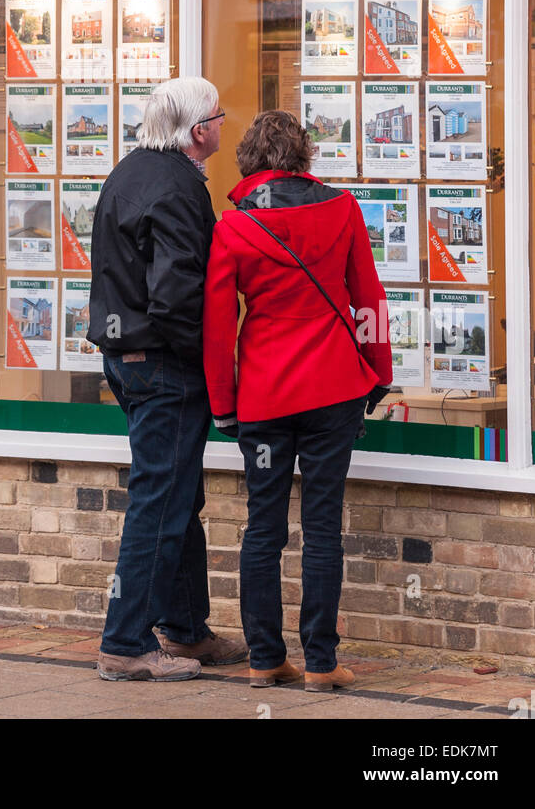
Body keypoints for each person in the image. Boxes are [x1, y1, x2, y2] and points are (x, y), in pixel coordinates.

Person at [203, 109, 392, 692]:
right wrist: (378, 372)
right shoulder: (343, 209)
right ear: (305, 157)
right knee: (322, 528)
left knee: (263, 528)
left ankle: (263, 658)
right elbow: (367, 296)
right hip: (334, 390)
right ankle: (322, 662)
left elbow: (215, 324)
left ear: (249, 162)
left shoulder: (233, 227)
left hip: (264, 395)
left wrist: (222, 403)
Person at [88, 76, 248, 681]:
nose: (222, 126)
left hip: (126, 355)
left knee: (177, 493)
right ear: (198, 131)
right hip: (163, 363)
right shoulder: (180, 188)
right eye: (218, 117)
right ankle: (125, 642)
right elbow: (178, 295)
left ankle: (184, 629)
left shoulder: (129, 171)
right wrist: (206, 366)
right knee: (159, 499)